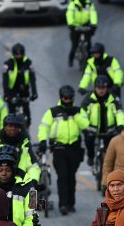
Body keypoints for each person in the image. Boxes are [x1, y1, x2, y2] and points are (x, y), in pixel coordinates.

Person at [36, 85, 89, 215]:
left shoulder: (78, 110)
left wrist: (74, 114)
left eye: (70, 98)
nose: (67, 100)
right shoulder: (53, 112)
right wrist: (43, 140)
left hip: (74, 148)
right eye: (65, 98)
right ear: (61, 97)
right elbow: (43, 127)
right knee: (63, 176)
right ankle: (63, 204)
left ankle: (71, 203)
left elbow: (85, 125)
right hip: (59, 148)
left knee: (71, 176)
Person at [82, 75, 124, 167]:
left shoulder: (113, 98)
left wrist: (121, 125)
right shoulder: (88, 99)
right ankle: (91, 156)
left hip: (109, 130)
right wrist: (85, 127)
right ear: (95, 88)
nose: (101, 90)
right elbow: (83, 114)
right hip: (93, 129)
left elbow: (119, 113)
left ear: (107, 88)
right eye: (99, 88)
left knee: (112, 149)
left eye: (103, 88)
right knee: (88, 141)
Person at [0, 114, 40, 190]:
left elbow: (33, 166)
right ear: (5, 127)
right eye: (10, 126)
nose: (13, 128)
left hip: (21, 183)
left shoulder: (25, 144)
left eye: (16, 126)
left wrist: (33, 181)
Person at [66, 0, 98, 68]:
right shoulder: (73, 4)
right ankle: (71, 59)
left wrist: (93, 24)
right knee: (74, 45)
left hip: (86, 26)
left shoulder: (89, 4)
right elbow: (69, 14)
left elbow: (93, 14)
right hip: (75, 26)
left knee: (89, 45)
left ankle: (91, 62)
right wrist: (71, 24)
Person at [2, 43, 38, 113]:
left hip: (24, 90)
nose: (19, 56)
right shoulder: (8, 64)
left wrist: (34, 93)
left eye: (21, 54)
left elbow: (32, 79)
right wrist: (6, 94)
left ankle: (26, 122)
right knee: (11, 112)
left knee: (26, 112)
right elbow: (5, 80)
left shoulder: (28, 63)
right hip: (12, 91)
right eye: (17, 54)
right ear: (13, 54)